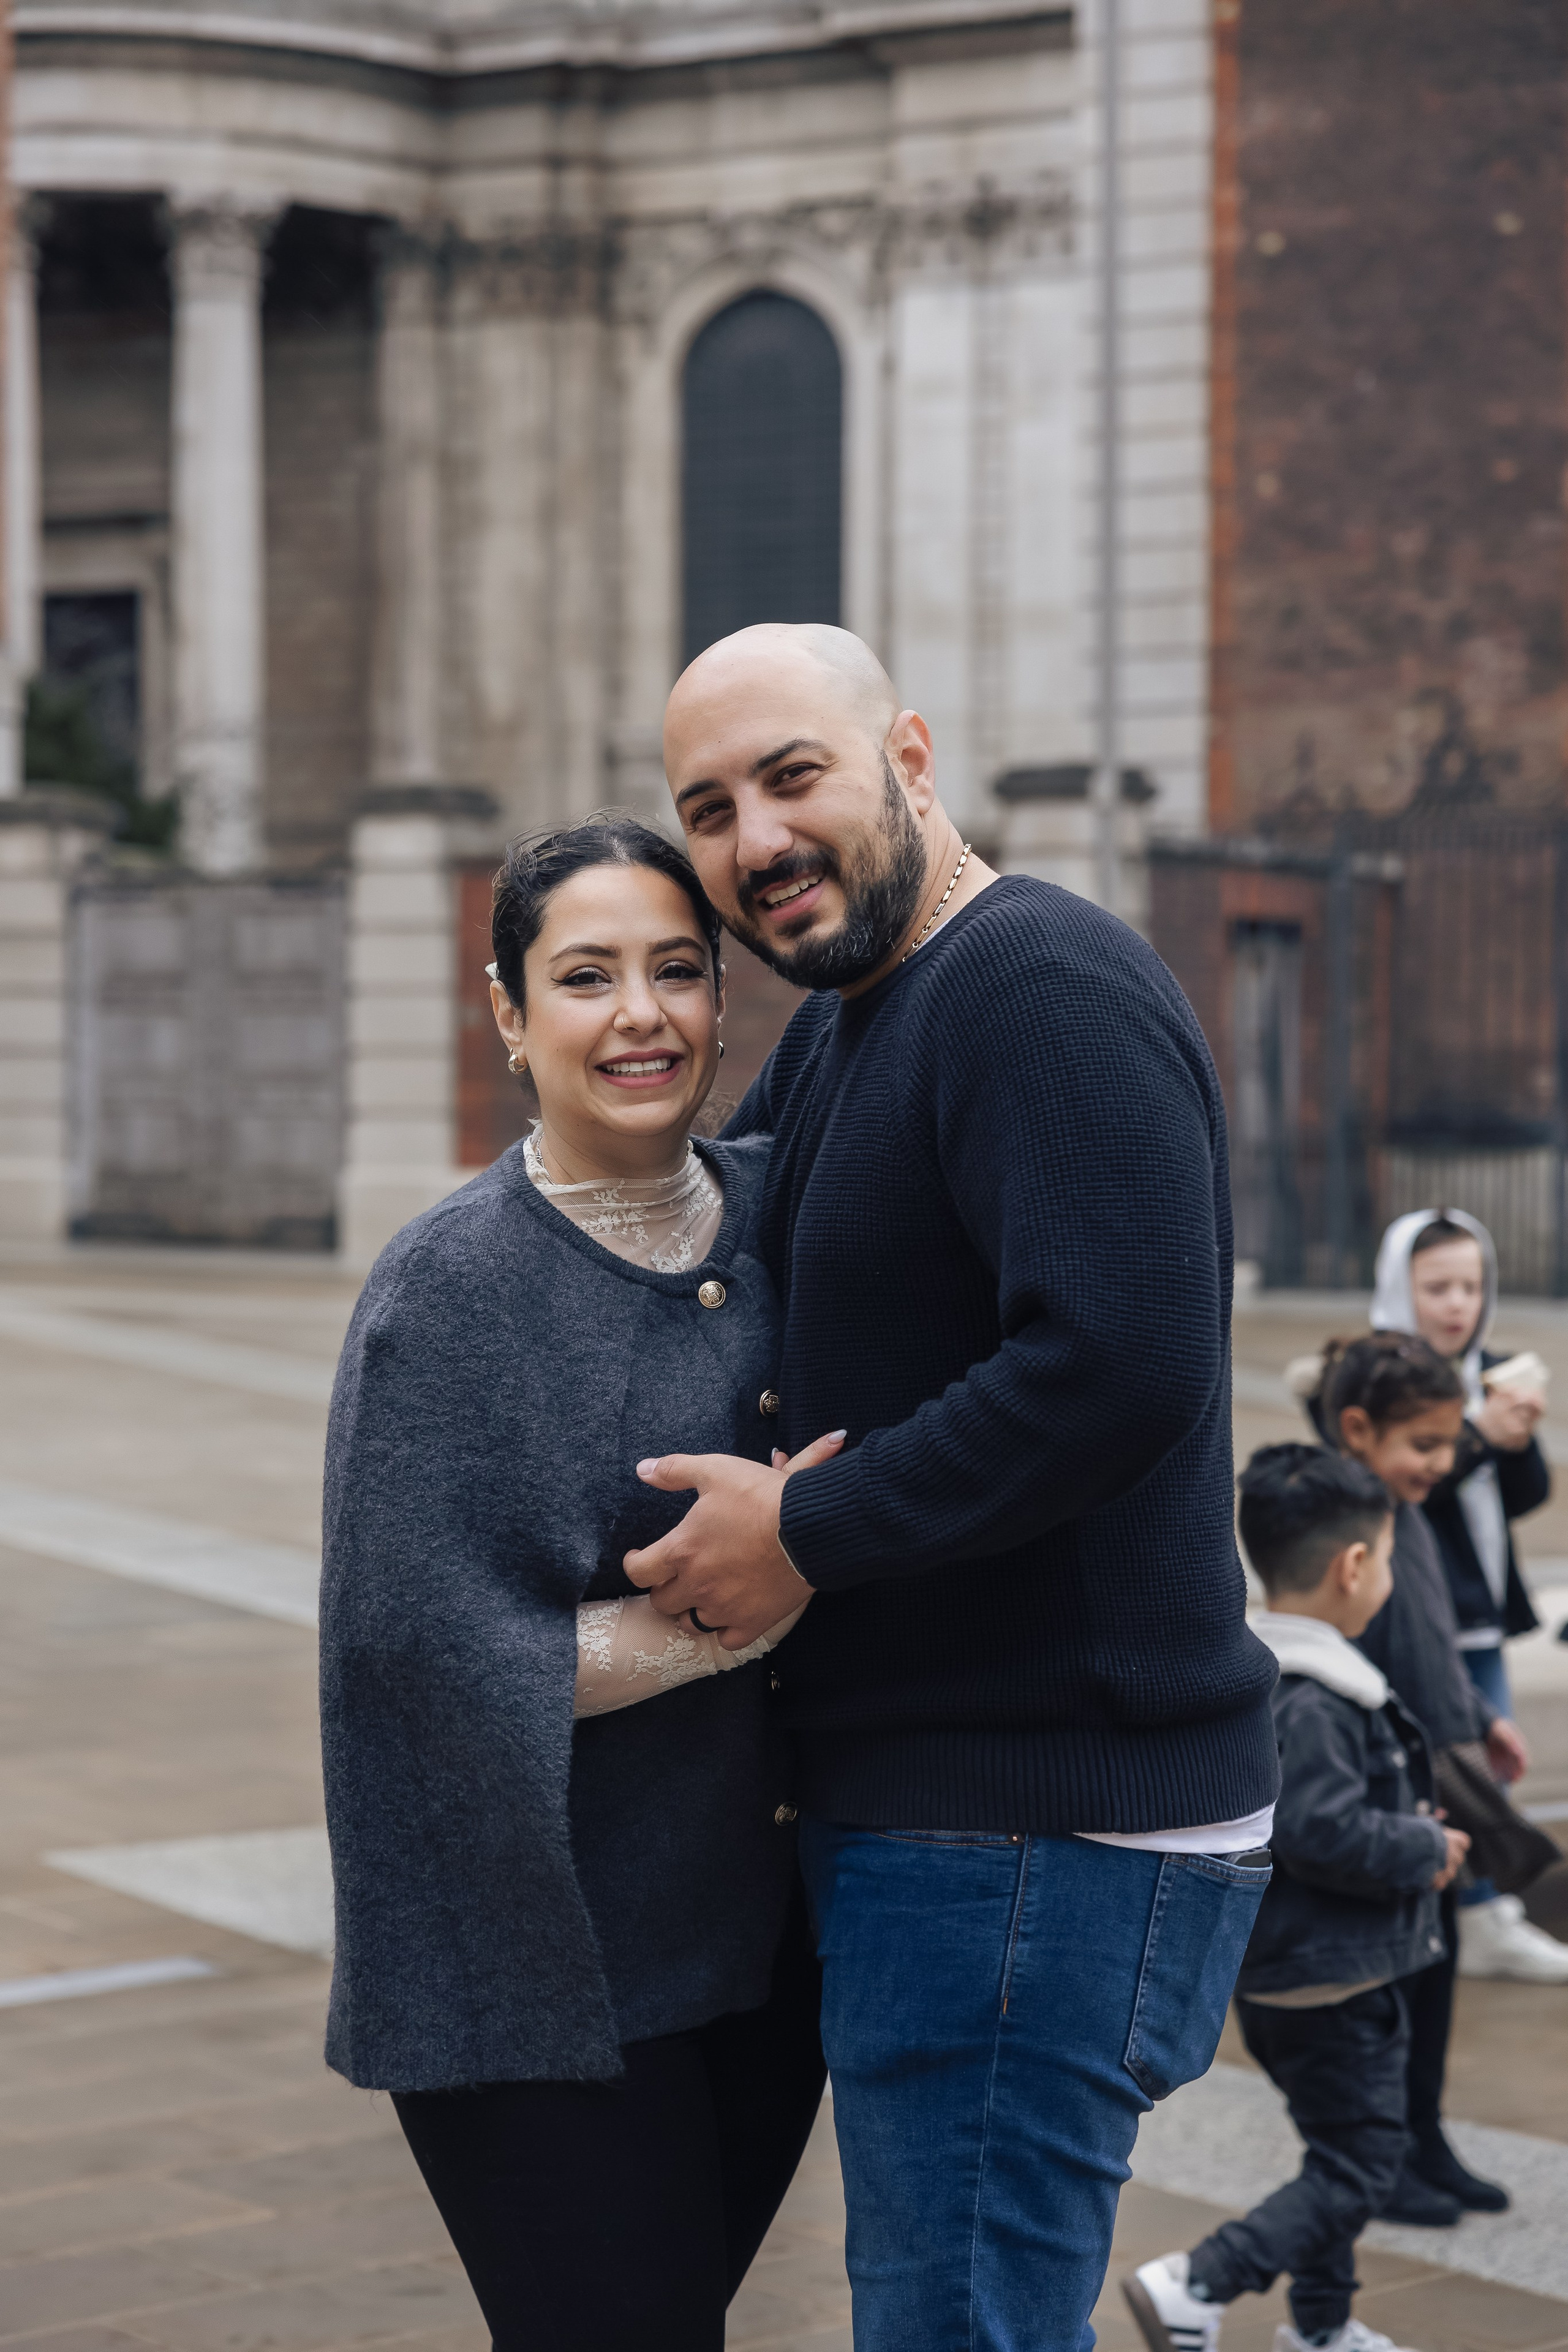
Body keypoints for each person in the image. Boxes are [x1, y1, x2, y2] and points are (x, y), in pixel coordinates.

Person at [625, 622, 1280, 2351]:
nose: (754, 843)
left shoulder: (1032, 987)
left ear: (908, 758)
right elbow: (709, 1236)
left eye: (792, 778)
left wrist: (810, 1535)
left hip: (1038, 1821)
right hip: (965, 1822)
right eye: (707, 809)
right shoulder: (861, 1020)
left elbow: (1122, 1364)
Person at [320, 818, 829, 2352]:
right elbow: (414, 1650)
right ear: (506, 1009)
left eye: (677, 970)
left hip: (762, 1948)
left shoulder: (782, 1209)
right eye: (586, 975)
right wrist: (739, 1603)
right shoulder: (448, 1284)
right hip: (534, 1972)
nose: (640, 1014)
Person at [1126, 1444, 1466, 2352]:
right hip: (1332, 1979)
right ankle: (1198, 2281)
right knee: (1364, 2165)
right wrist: (1424, 1843)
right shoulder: (1321, 1696)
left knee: (1341, 2156)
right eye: (1388, 1559)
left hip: (1307, 1973)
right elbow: (1320, 1831)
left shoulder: (1279, 1677)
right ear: (1355, 1566)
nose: (1388, 1574)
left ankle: (1321, 2329)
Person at [1322, 1333, 1515, 2218]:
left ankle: (1424, 2133)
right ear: (1357, 1429)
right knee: (1390, 1988)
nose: (1442, 1463)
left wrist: (1482, 1721)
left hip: (1434, 1781)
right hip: (1381, 1796)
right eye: (1426, 1445)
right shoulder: (1341, 1520)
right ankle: (1383, 2152)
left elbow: (1432, 1641)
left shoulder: (1408, 1506)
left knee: (1434, 1969)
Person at [1368, 1210, 1562, 1983]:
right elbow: (1397, 1487)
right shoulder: (1375, 1374)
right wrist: (1477, 1432)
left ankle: (1482, 1903)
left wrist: (1513, 1438)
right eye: (1437, 1286)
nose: (1458, 1304)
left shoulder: (1494, 1366)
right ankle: (1464, 1909)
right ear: (1396, 1285)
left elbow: (1524, 1495)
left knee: (1489, 1758)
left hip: (1481, 1614)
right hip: (1412, 1610)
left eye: (1471, 1286)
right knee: (1435, 1761)